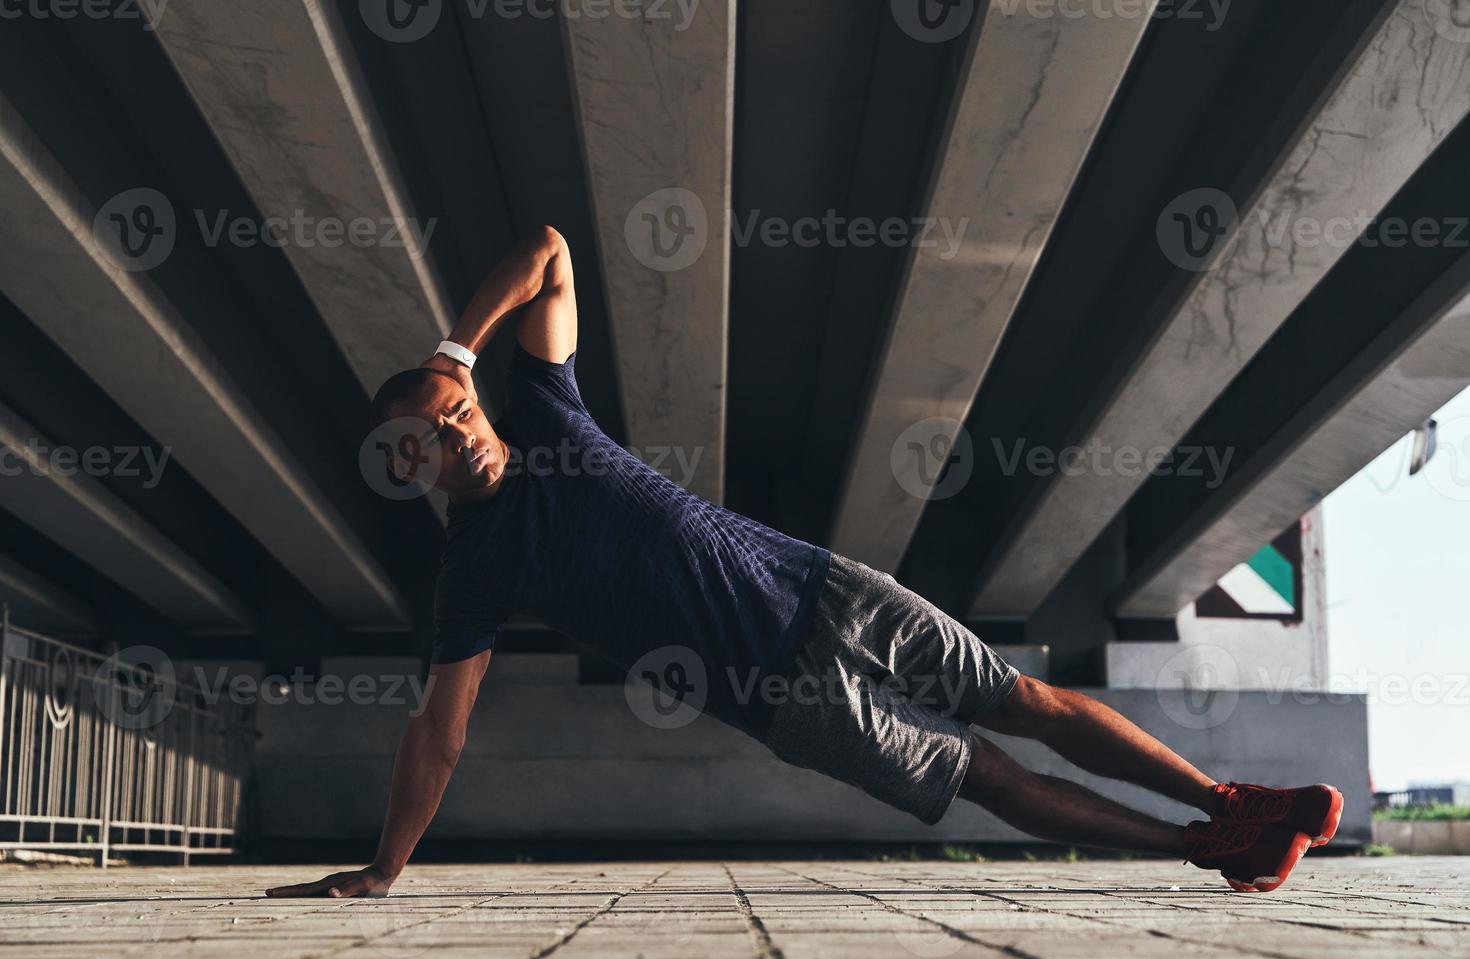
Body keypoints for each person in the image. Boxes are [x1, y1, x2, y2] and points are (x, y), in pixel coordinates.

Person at [266, 227, 1342, 900]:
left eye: (459, 411)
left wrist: (456, 344)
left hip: (827, 585)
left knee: (1031, 698)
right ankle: (1203, 845)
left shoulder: (543, 407)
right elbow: (438, 733)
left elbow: (548, 248)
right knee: (994, 776)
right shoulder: (478, 570)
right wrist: (385, 865)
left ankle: (1235, 802)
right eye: (438, 439)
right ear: (411, 470)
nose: (462, 433)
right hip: (787, 696)